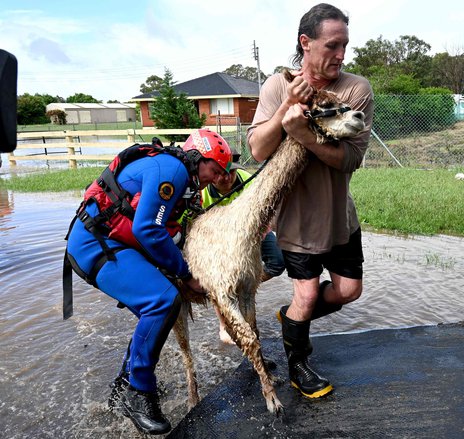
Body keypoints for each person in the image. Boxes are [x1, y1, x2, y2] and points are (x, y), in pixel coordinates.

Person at [64, 129, 232, 435]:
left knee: (156, 307)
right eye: (215, 169)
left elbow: (159, 229)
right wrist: (185, 274)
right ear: (199, 158)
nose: (217, 178)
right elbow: (147, 230)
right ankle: (138, 392)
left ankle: (125, 384)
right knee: (163, 300)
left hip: (109, 242)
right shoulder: (172, 170)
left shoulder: (177, 173)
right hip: (94, 246)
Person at [247, 3, 374, 399]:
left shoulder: (355, 89)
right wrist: (287, 107)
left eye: (345, 46)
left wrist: (302, 133)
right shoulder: (275, 87)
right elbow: (256, 150)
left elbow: (350, 158)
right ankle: (299, 366)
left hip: (339, 218)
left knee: (349, 290)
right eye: (332, 45)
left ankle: (290, 322)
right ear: (306, 43)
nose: (341, 54)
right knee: (306, 292)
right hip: (296, 222)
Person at [199, 150, 286, 344]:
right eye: (222, 173)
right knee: (219, 282)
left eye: (232, 172)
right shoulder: (202, 192)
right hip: (219, 238)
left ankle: (244, 288)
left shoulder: (248, 180)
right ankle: (224, 324)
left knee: (278, 262)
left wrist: (259, 234)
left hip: (252, 234)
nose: (228, 177)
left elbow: (267, 213)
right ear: (213, 176)